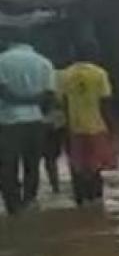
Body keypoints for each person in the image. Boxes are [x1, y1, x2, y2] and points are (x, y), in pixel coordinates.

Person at [0, 33, 56, 215]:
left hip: (7, 121)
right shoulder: (45, 63)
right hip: (36, 120)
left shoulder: (2, 61)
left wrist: (20, 101)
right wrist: (34, 104)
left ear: (10, 42)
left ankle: (13, 207)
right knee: (32, 166)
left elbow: (3, 92)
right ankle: (29, 202)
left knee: (8, 166)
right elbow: (49, 97)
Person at [59, 42, 117, 206]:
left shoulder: (65, 75)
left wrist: (66, 127)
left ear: (73, 54)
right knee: (95, 166)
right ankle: (96, 200)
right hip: (96, 126)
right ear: (93, 54)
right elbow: (105, 102)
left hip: (74, 128)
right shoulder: (99, 73)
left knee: (77, 165)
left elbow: (63, 103)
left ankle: (80, 200)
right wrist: (112, 127)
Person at [42, 66, 67, 194]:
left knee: (50, 158)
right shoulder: (68, 75)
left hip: (48, 121)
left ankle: (55, 188)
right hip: (66, 120)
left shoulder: (43, 73)